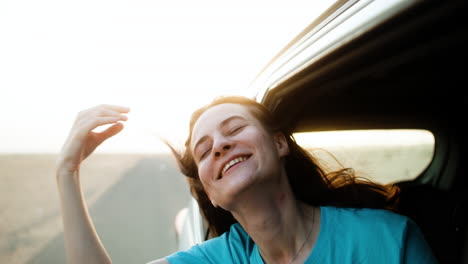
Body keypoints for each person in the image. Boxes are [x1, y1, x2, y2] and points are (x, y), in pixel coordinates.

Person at [56, 96, 438, 264]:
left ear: (279, 144)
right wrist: (67, 173)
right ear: (212, 193)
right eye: (204, 151)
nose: (220, 146)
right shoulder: (224, 257)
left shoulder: (390, 239)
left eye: (234, 129)